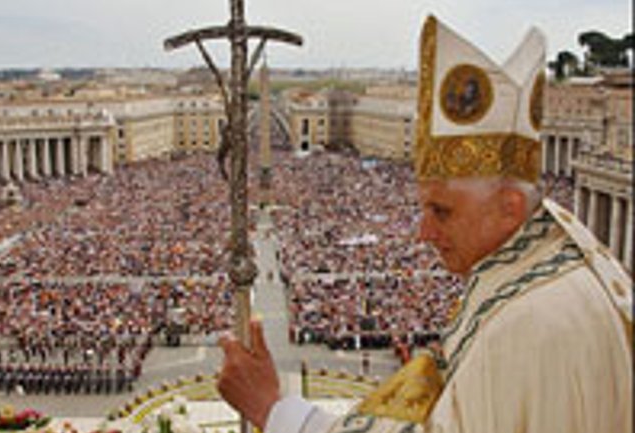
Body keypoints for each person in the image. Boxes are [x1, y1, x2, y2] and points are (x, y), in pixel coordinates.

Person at [217, 15, 632, 433]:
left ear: (509, 207)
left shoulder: (528, 324)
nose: (423, 231)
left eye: (442, 211)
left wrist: (274, 410)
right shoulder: (556, 274)